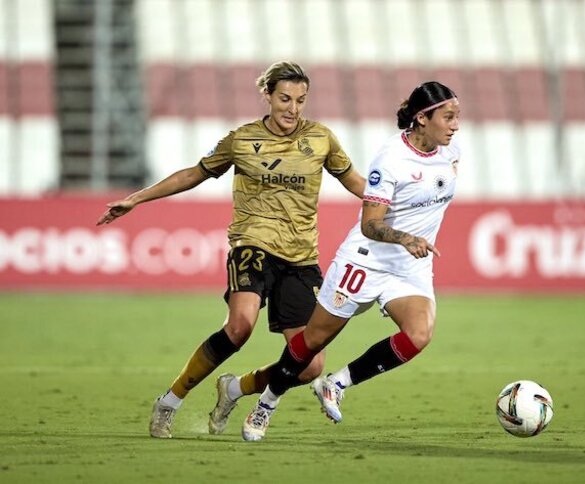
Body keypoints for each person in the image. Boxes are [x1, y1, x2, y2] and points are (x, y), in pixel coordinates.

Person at [96, 61, 365, 439]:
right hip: (252, 244)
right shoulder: (242, 140)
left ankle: (236, 388)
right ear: (268, 95)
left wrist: (397, 206)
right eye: (285, 98)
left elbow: (356, 181)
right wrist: (137, 199)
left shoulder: (321, 139)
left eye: (300, 101)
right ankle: (170, 401)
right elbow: (194, 173)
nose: (292, 108)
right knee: (239, 327)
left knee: (311, 366)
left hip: (301, 259)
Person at [239, 81, 461, 441]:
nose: (455, 125)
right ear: (422, 118)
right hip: (366, 260)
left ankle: (337, 384)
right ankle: (267, 402)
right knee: (311, 342)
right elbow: (370, 224)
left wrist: (414, 244)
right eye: (448, 117)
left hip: (409, 266)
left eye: (457, 117)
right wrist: (407, 238)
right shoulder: (391, 160)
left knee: (419, 334)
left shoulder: (451, 154)